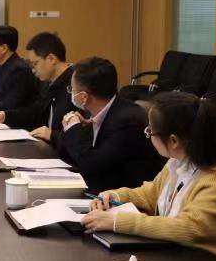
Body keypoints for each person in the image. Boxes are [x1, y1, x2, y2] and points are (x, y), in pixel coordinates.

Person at [81, 92, 216, 258]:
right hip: (174, 256)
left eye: (150, 131)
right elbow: (150, 194)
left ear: (174, 141)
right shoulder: (176, 162)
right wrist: (115, 195)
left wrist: (116, 221)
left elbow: (188, 227)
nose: (148, 135)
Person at [59, 57, 164, 191]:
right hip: (103, 190)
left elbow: (91, 166)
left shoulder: (127, 122)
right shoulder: (94, 112)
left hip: (126, 197)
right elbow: (65, 155)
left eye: (72, 89)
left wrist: (73, 128)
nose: (71, 93)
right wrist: (75, 128)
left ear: (83, 97)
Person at [0, 32, 74, 144]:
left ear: (51, 59)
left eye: (35, 63)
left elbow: (83, 134)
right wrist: (5, 116)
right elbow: (36, 113)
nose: (33, 70)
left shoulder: (75, 86)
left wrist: (53, 135)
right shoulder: (48, 83)